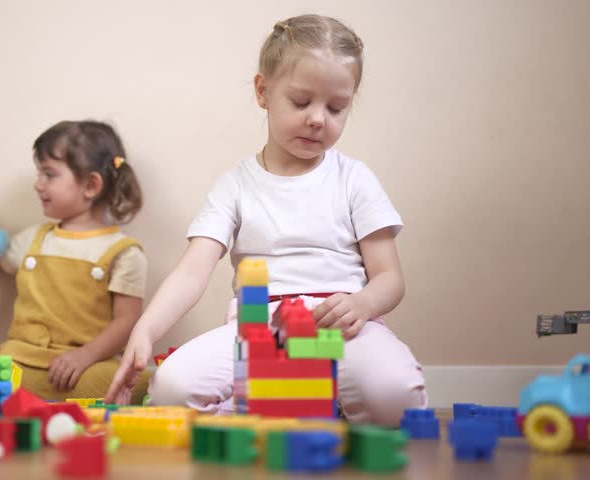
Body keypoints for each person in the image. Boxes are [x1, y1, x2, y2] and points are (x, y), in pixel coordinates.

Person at [105, 14, 426, 425]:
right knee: (171, 389)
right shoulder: (235, 185)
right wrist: (146, 331)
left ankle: (325, 403)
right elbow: (191, 274)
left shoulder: (354, 179)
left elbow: (389, 278)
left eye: (336, 108)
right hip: (259, 332)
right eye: (301, 101)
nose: (318, 118)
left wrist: (362, 303)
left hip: (341, 327)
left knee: (394, 395)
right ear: (263, 91)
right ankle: (264, 405)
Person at [0, 120, 151, 404]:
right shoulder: (33, 240)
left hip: (82, 369)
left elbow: (127, 321)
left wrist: (85, 356)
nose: (38, 184)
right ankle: (31, 398)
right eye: (39, 173)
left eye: (49, 174)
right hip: (22, 363)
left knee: (133, 382)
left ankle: (44, 399)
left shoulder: (123, 252)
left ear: (91, 185)